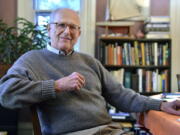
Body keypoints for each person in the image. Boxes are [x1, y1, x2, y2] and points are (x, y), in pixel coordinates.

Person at [0, 8, 180, 135]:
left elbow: (122, 95)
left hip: (108, 130)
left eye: (73, 27)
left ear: (79, 33)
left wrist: (161, 105)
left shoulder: (90, 62)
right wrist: (56, 85)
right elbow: (6, 94)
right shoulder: (32, 59)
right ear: (49, 29)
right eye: (61, 25)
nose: (67, 32)